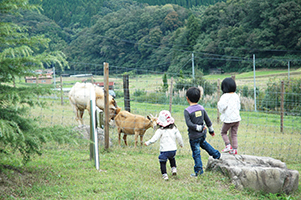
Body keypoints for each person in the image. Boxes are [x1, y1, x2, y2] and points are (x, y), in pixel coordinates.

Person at [184, 87, 221, 177]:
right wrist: (211, 130)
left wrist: (199, 128)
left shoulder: (187, 111)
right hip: (202, 134)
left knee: (196, 153)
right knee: (204, 144)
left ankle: (199, 171)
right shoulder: (201, 108)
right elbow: (208, 120)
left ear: (187, 98)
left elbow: (189, 124)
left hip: (194, 136)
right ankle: (216, 154)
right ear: (199, 98)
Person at [145, 110, 184, 181]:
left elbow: (154, 139)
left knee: (162, 161)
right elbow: (179, 137)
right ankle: (174, 169)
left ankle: (165, 175)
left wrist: (148, 142)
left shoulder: (160, 130)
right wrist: (181, 144)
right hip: (173, 150)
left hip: (164, 150)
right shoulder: (174, 128)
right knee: (172, 158)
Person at [218, 77, 241, 155]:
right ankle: (235, 149)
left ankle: (228, 145)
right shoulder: (236, 96)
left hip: (228, 119)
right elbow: (239, 106)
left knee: (223, 132)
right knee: (234, 134)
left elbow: (221, 106)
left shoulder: (225, 96)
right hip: (237, 119)